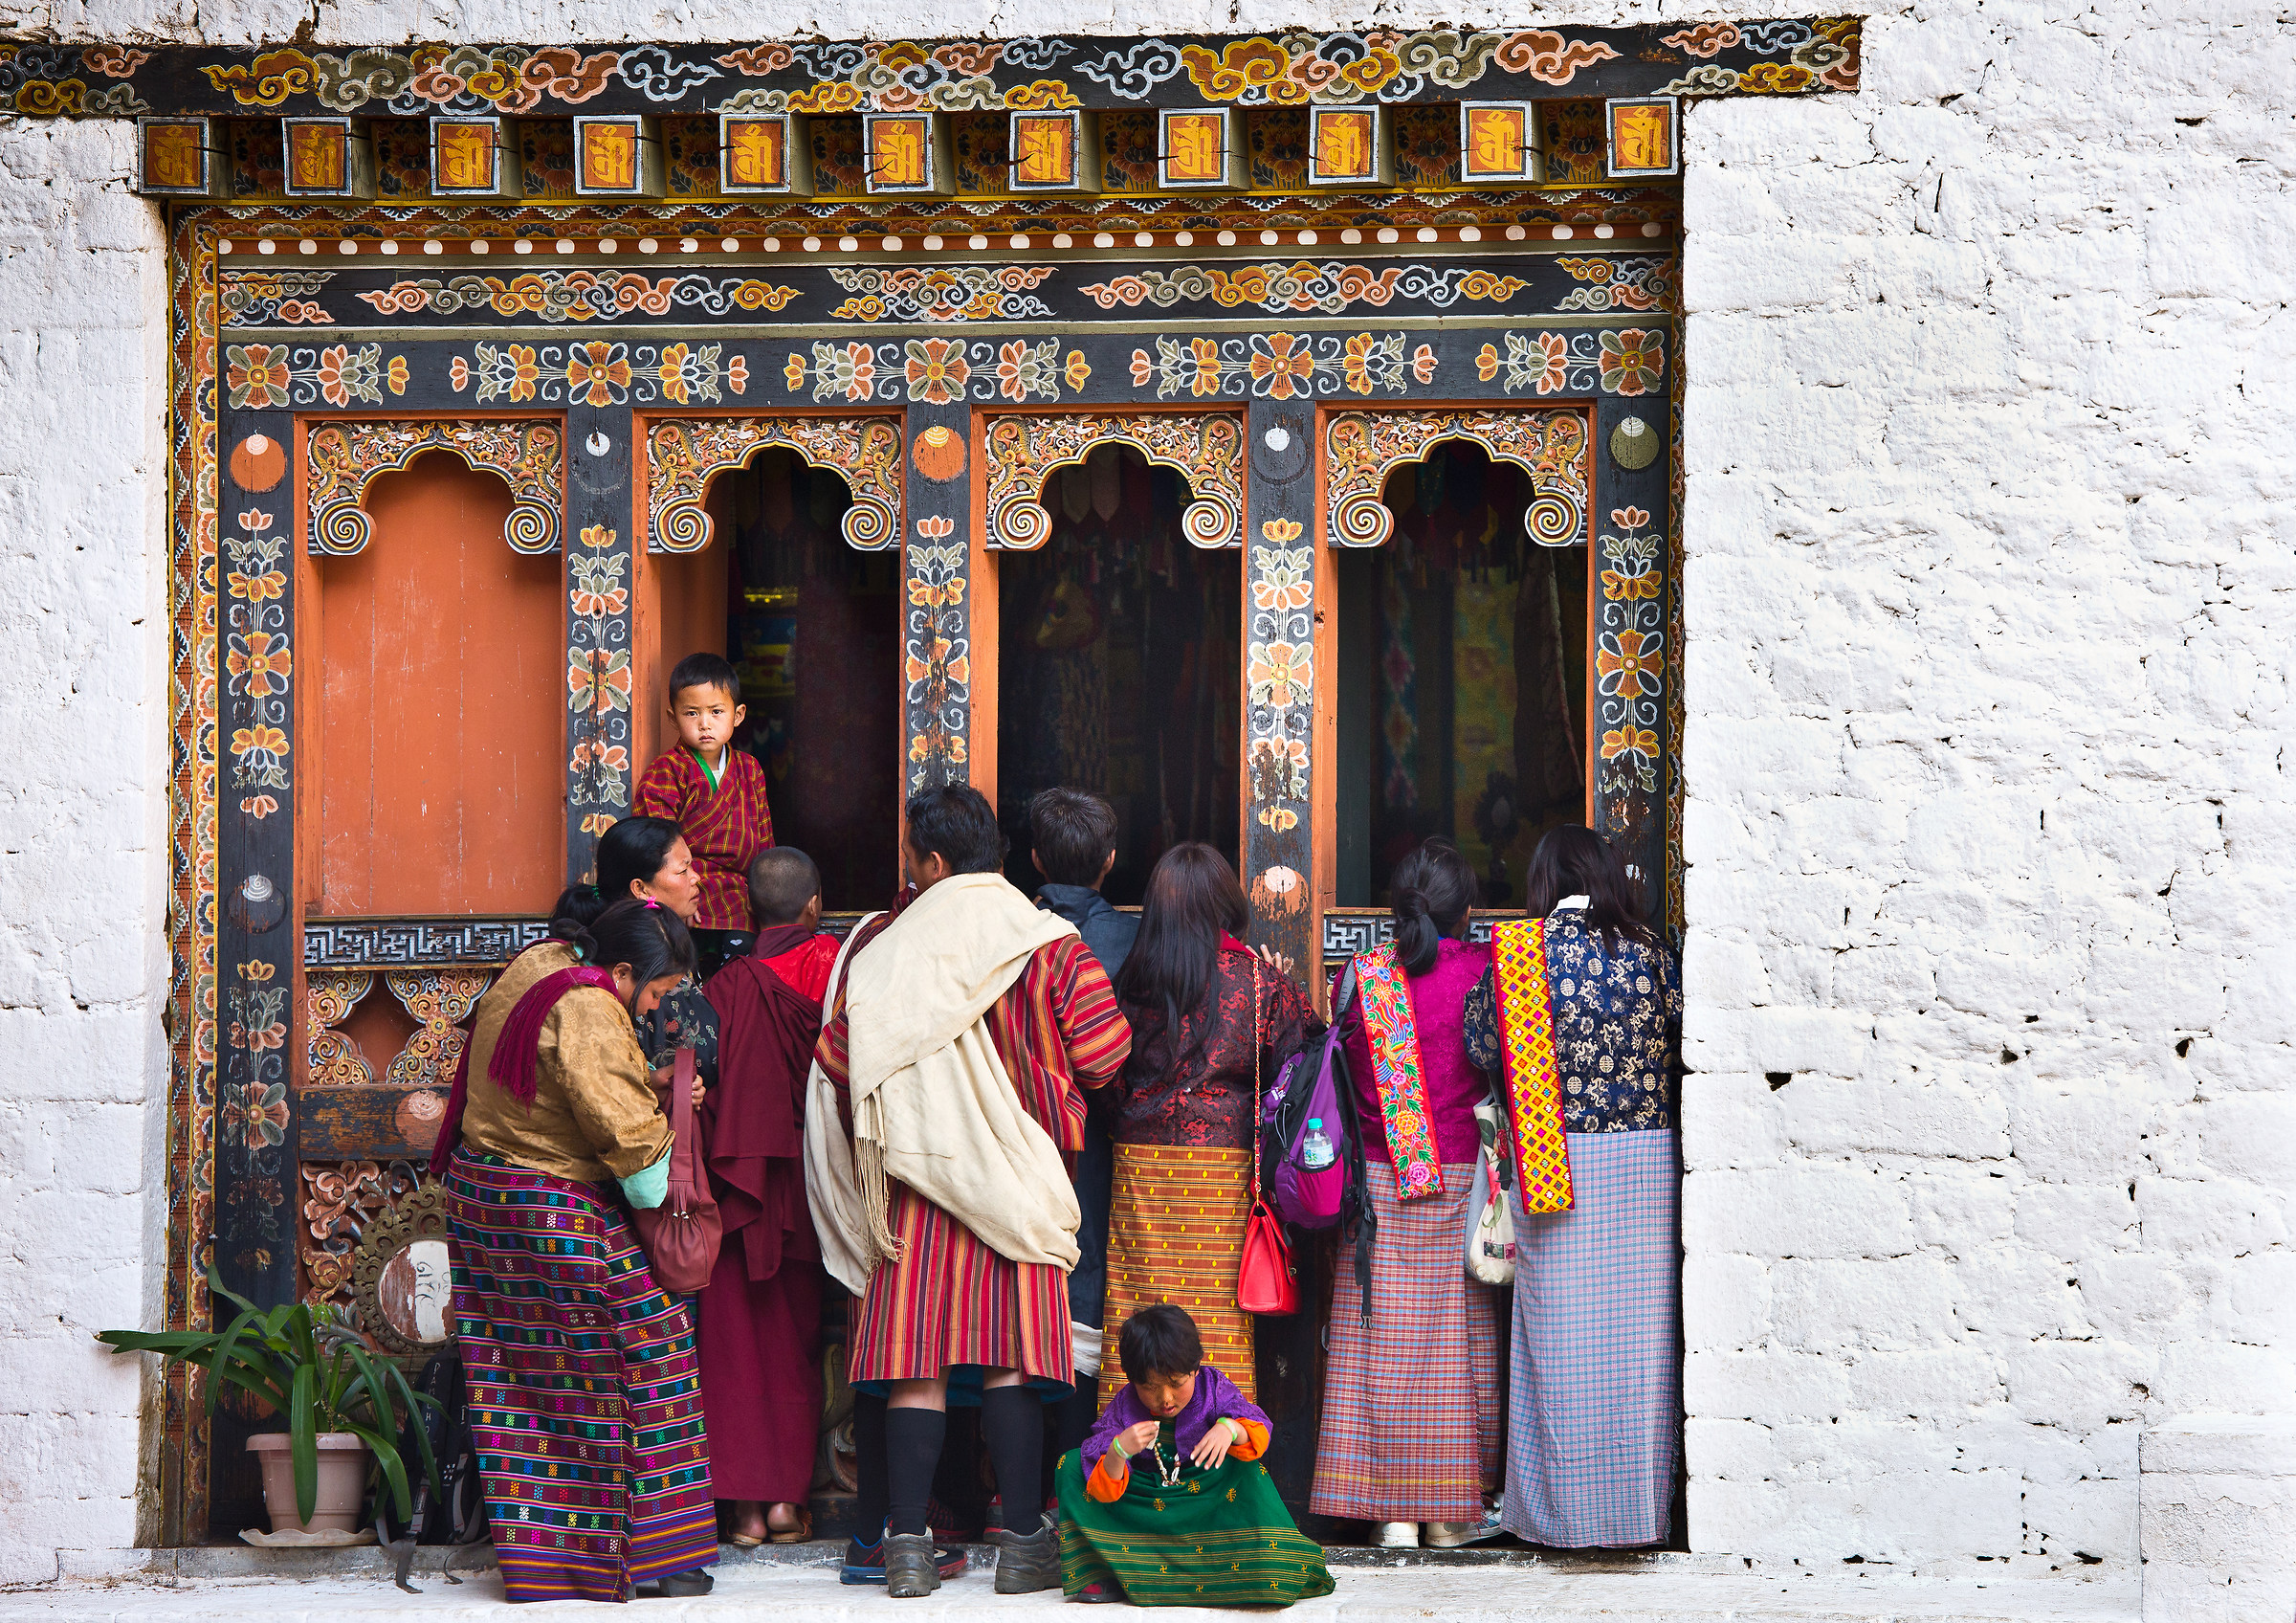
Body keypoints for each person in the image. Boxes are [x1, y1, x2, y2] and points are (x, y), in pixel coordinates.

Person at [815, 785, 1132, 1598]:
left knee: (917, 1369)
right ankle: (1025, 1544)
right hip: (1019, 1182)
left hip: (913, 1185)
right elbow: (1103, 1055)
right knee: (1013, 1367)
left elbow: (840, 1060)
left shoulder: (886, 949)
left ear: (932, 861)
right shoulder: (1048, 942)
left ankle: (910, 1547)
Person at [436, 897, 718, 1602]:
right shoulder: (592, 1009)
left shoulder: (541, 960)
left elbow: (548, 1074)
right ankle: (649, 1555)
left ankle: (545, 1560)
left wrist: (637, 1080)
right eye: (653, 994)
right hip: (546, 1207)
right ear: (621, 971)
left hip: (481, 1196)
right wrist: (668, 1114)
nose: (654, 1010)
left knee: (522, 1376)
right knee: (650, 1347)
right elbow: (645, 1173)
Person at [1463, 825, 1683, 1548]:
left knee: (1554, 1343)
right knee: (1638, 1347)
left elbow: (1479, 1044)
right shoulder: (1653, 951)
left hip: (1554, 1156)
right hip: (1646, 1164)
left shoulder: (1522, 953)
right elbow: (1689, 1038)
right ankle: (1636, 1515)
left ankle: (1559, 1516)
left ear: (1542, 883)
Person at [1311, 837, 1506, 1549]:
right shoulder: (1487, 972)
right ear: (1469, 911)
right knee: (1456, 1342)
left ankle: (1390, 1513)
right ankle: (1451, 1513)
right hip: (1460, 1176)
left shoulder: (1358, 980)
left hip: (1379, 1178)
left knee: (1379, 1342)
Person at [1104, 844, 1309, 1405]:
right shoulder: (1257, 980)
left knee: (1138, 1303)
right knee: (1218, 1315)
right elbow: (1302, 1054)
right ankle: (1222, 1455)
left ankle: (1128, 1451)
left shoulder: (1132, 981)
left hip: (1140, 1164)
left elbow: (1108, 1074)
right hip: (1221, 1168)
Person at [697, 848, 839, 1547]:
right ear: (813, 908)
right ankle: (786, 1504)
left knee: (732, 1343)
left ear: (749, 911)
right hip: (809, 1186)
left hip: (735, 1190)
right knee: (793, 1342)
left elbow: (698, 1094)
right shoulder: (832, 970)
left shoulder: (722, 985)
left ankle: (744, 1513)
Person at [1057, 1303, 1334, 1608]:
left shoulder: (1213, 1387)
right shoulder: (1123, 1407)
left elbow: (1258, 1434)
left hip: (1205, 1501)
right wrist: (1118, 1452)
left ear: (1196, 1367)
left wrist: (1230, 1429)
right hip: (1147, 1510)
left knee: (1247, 1469)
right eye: (1150, 1388)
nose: (1165, 1399)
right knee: (1070, 1466)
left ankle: (1247, 1566)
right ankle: (1107, 1572)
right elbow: (1103, 1491)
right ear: (1132, 1379)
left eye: (1176, 1384)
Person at [1027, 788, 1139, 1461]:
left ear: (1034, 859)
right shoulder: (1132, 938)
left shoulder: (1006, 931)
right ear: (1112, 861)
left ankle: (999, 1480)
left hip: (1006, 1134)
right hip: (1099, 1138)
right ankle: (1068, 1466)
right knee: (1085, 1277)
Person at [634, 652, 775, 978]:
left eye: (716, 712)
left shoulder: (750, 769)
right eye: (692, 713)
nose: (704, 724)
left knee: (741, 969)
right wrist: (675, 897)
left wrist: (764, 894)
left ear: (737, 715)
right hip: (686, 888)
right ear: (673, 717)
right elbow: (656, 842)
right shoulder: (666, 770)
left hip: (739, 895)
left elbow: (764, 840)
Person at [581, 815, 724, 1104]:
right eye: (683, 870)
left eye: (692, 866)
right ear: (642, 890)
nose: (697, 878)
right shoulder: (630, 961)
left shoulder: (670, 939)